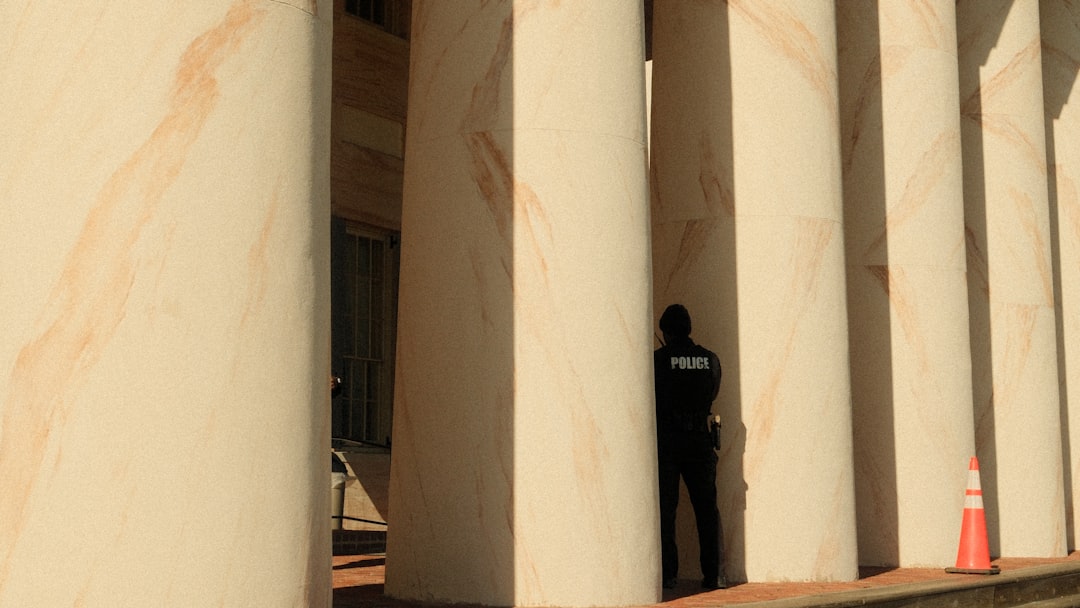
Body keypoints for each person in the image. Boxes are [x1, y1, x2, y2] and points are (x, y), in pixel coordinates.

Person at [653, 304, 727, 590]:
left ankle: (668, 575)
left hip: (669, 442)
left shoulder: (659, 360)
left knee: (666, 511)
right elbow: (714, 390)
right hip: (699, 442)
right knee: (707, 511)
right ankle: (713, 575)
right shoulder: (709, 359)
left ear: (667, 333)